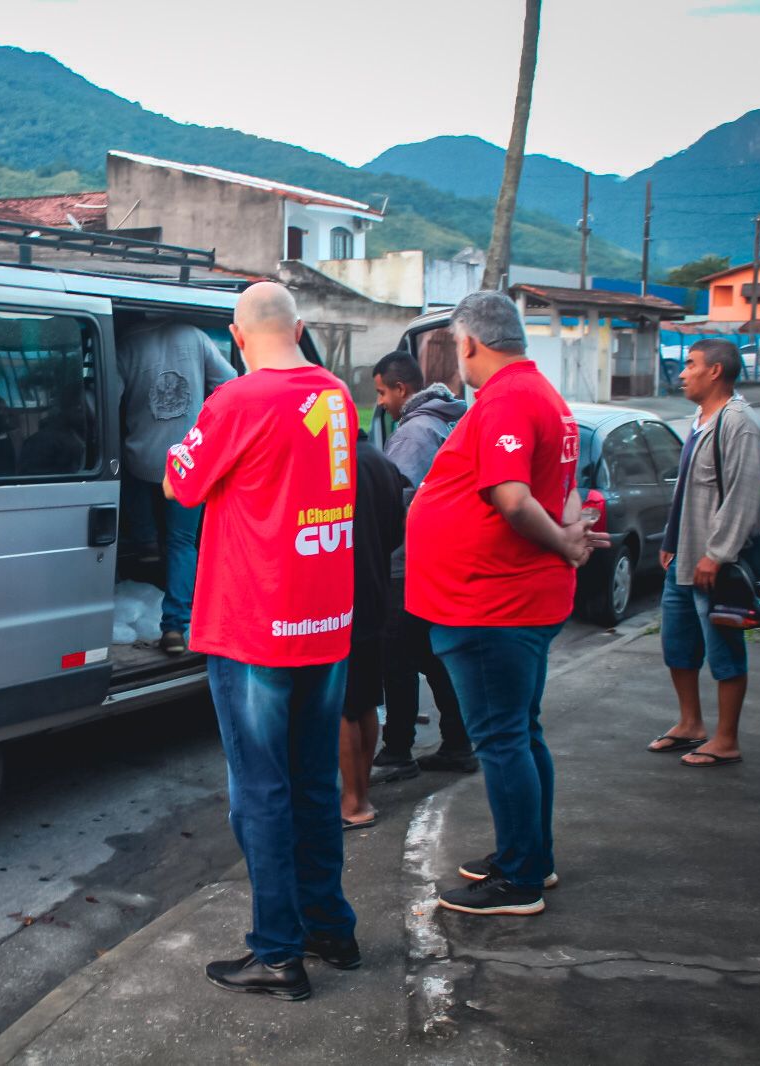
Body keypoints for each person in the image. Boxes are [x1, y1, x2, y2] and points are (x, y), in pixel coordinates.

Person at [163, 281, 360, 1000]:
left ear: (236, 337)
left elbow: (178, 482)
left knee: (261, 793)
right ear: (300, 328)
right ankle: (330, 927)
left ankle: (278, 952)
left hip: (256, 628)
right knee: (314, 780)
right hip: (326, 622)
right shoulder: (335, 394)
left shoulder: (237, 401)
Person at [406, 291, 607, 917]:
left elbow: (515, 499)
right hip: (509, 597)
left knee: (501, 739)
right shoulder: (541, 394)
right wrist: (570, 539)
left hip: (492, 602)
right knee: (521, 732)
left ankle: (519, 877)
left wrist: (565, 545)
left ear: (468, 343)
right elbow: (564, 491)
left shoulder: (508, 399)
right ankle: (529, 855)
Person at [648, 338, 760, 767]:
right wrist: (669, 543)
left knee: (723, 648)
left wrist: (717, 554)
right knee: (677, 646)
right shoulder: (701, 419)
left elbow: (744, 496)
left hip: (717, 564)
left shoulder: (739, 424)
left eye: (691, 364)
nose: (682, 372)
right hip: (684, 557)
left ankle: (726, 739)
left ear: (715, 371)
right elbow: (686, 492)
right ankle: (690, 724)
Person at [366, 351, 475, 781]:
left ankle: (398, 750)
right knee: (431, 655)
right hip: (435, 560)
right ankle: (457, 742)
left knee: (399, 658)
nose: (380, 403)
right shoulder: (446, 421)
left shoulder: (413, 434)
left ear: (401, 389)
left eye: (381, 392)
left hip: (405, 564)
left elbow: (397, 502)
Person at [119, 316, 236, 653]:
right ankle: (174, 628)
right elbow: (230, 384)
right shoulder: (195, 336)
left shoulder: (127, 344)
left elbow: (102, 401)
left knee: (125, 473)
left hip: (142, 461)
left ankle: (144, 542)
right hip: (188, 463)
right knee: (183, 542)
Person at [339, 426, 405, 830]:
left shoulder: (338, 464)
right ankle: (361, 793)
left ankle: (352, 802)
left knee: (345, 707)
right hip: (378, 591)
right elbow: (397, 531)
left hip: (342, 596)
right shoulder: (384, 463)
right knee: (365, 700)